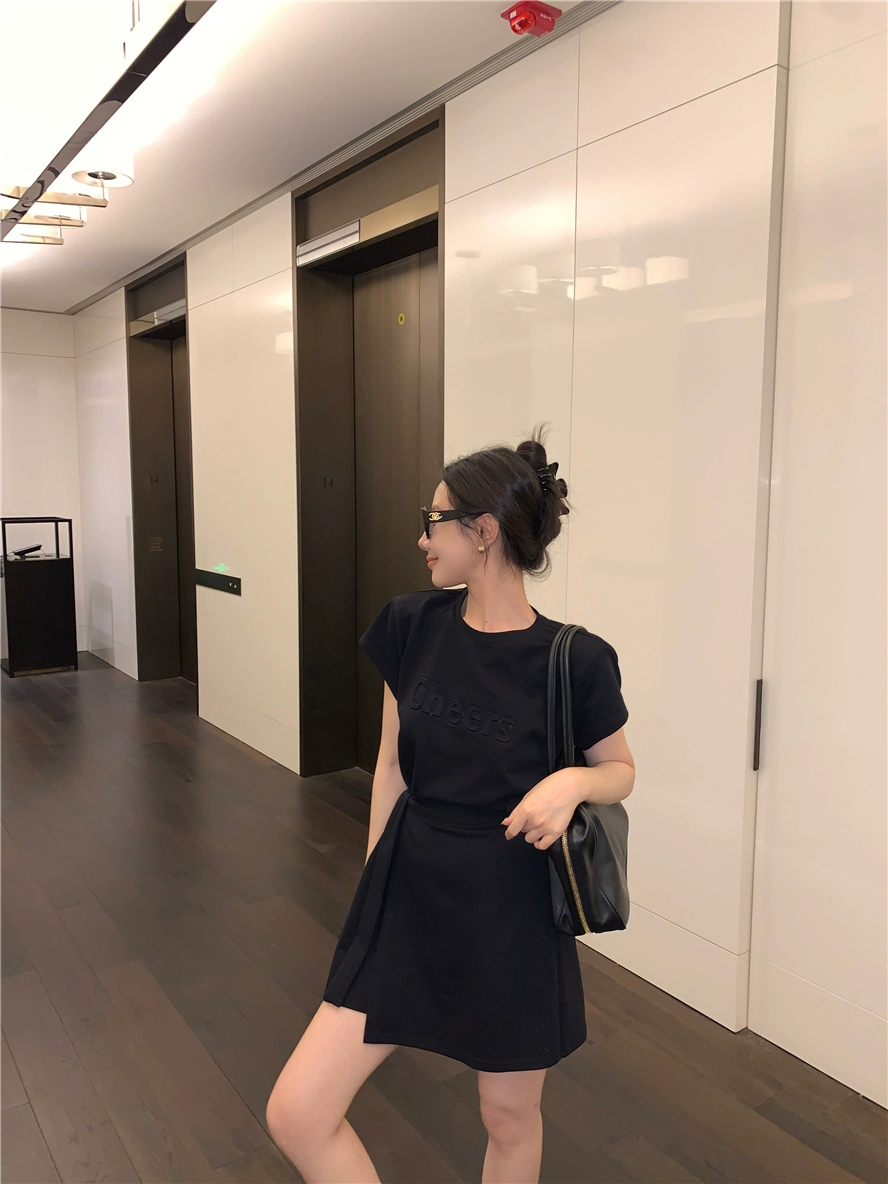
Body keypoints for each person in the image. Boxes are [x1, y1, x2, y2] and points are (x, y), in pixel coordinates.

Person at [266, 424, 635, 1184]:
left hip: (512, 911)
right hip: (408, 890)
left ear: (484, 530)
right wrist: (373, 884)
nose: (423, 538)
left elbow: (620, 771)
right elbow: (390, 766)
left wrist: (571, 782)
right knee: (297, 1111)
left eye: (434, 520)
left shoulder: (576, 659)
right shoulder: (411, 626)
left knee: (508, 1120)